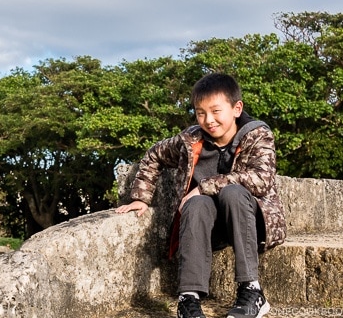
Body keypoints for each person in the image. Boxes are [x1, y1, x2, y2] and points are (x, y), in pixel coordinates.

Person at [116, 73, 286, 318]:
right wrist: (142, 197)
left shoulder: (257, 135)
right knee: (195, 203)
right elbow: (154, 155)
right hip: (206, 227)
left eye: (216, 111)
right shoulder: (190, 140)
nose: (209, 120)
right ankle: (189, 299)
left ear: (237, 108)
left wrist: (205, 185)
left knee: (232, 193)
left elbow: (262, 180)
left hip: (248, 222)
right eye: (200, 112)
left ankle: (251, 290)